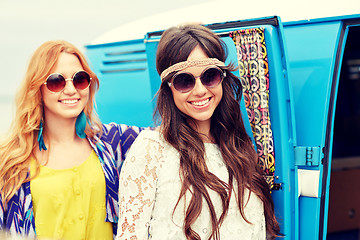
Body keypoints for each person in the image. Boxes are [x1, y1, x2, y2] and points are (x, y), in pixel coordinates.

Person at [116, 23, 281, 240]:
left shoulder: (240, 147)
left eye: (209, 76)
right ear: (169, 88)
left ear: (222, 78)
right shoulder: (151, 149)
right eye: (185, 81)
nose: (200, 90)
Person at [0, 40, 144, 240]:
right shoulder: (10, 160)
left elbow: (173, 136)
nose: (70, 90)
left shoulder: (114, 141)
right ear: (37, 89)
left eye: (80, 79)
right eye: (56, 81)